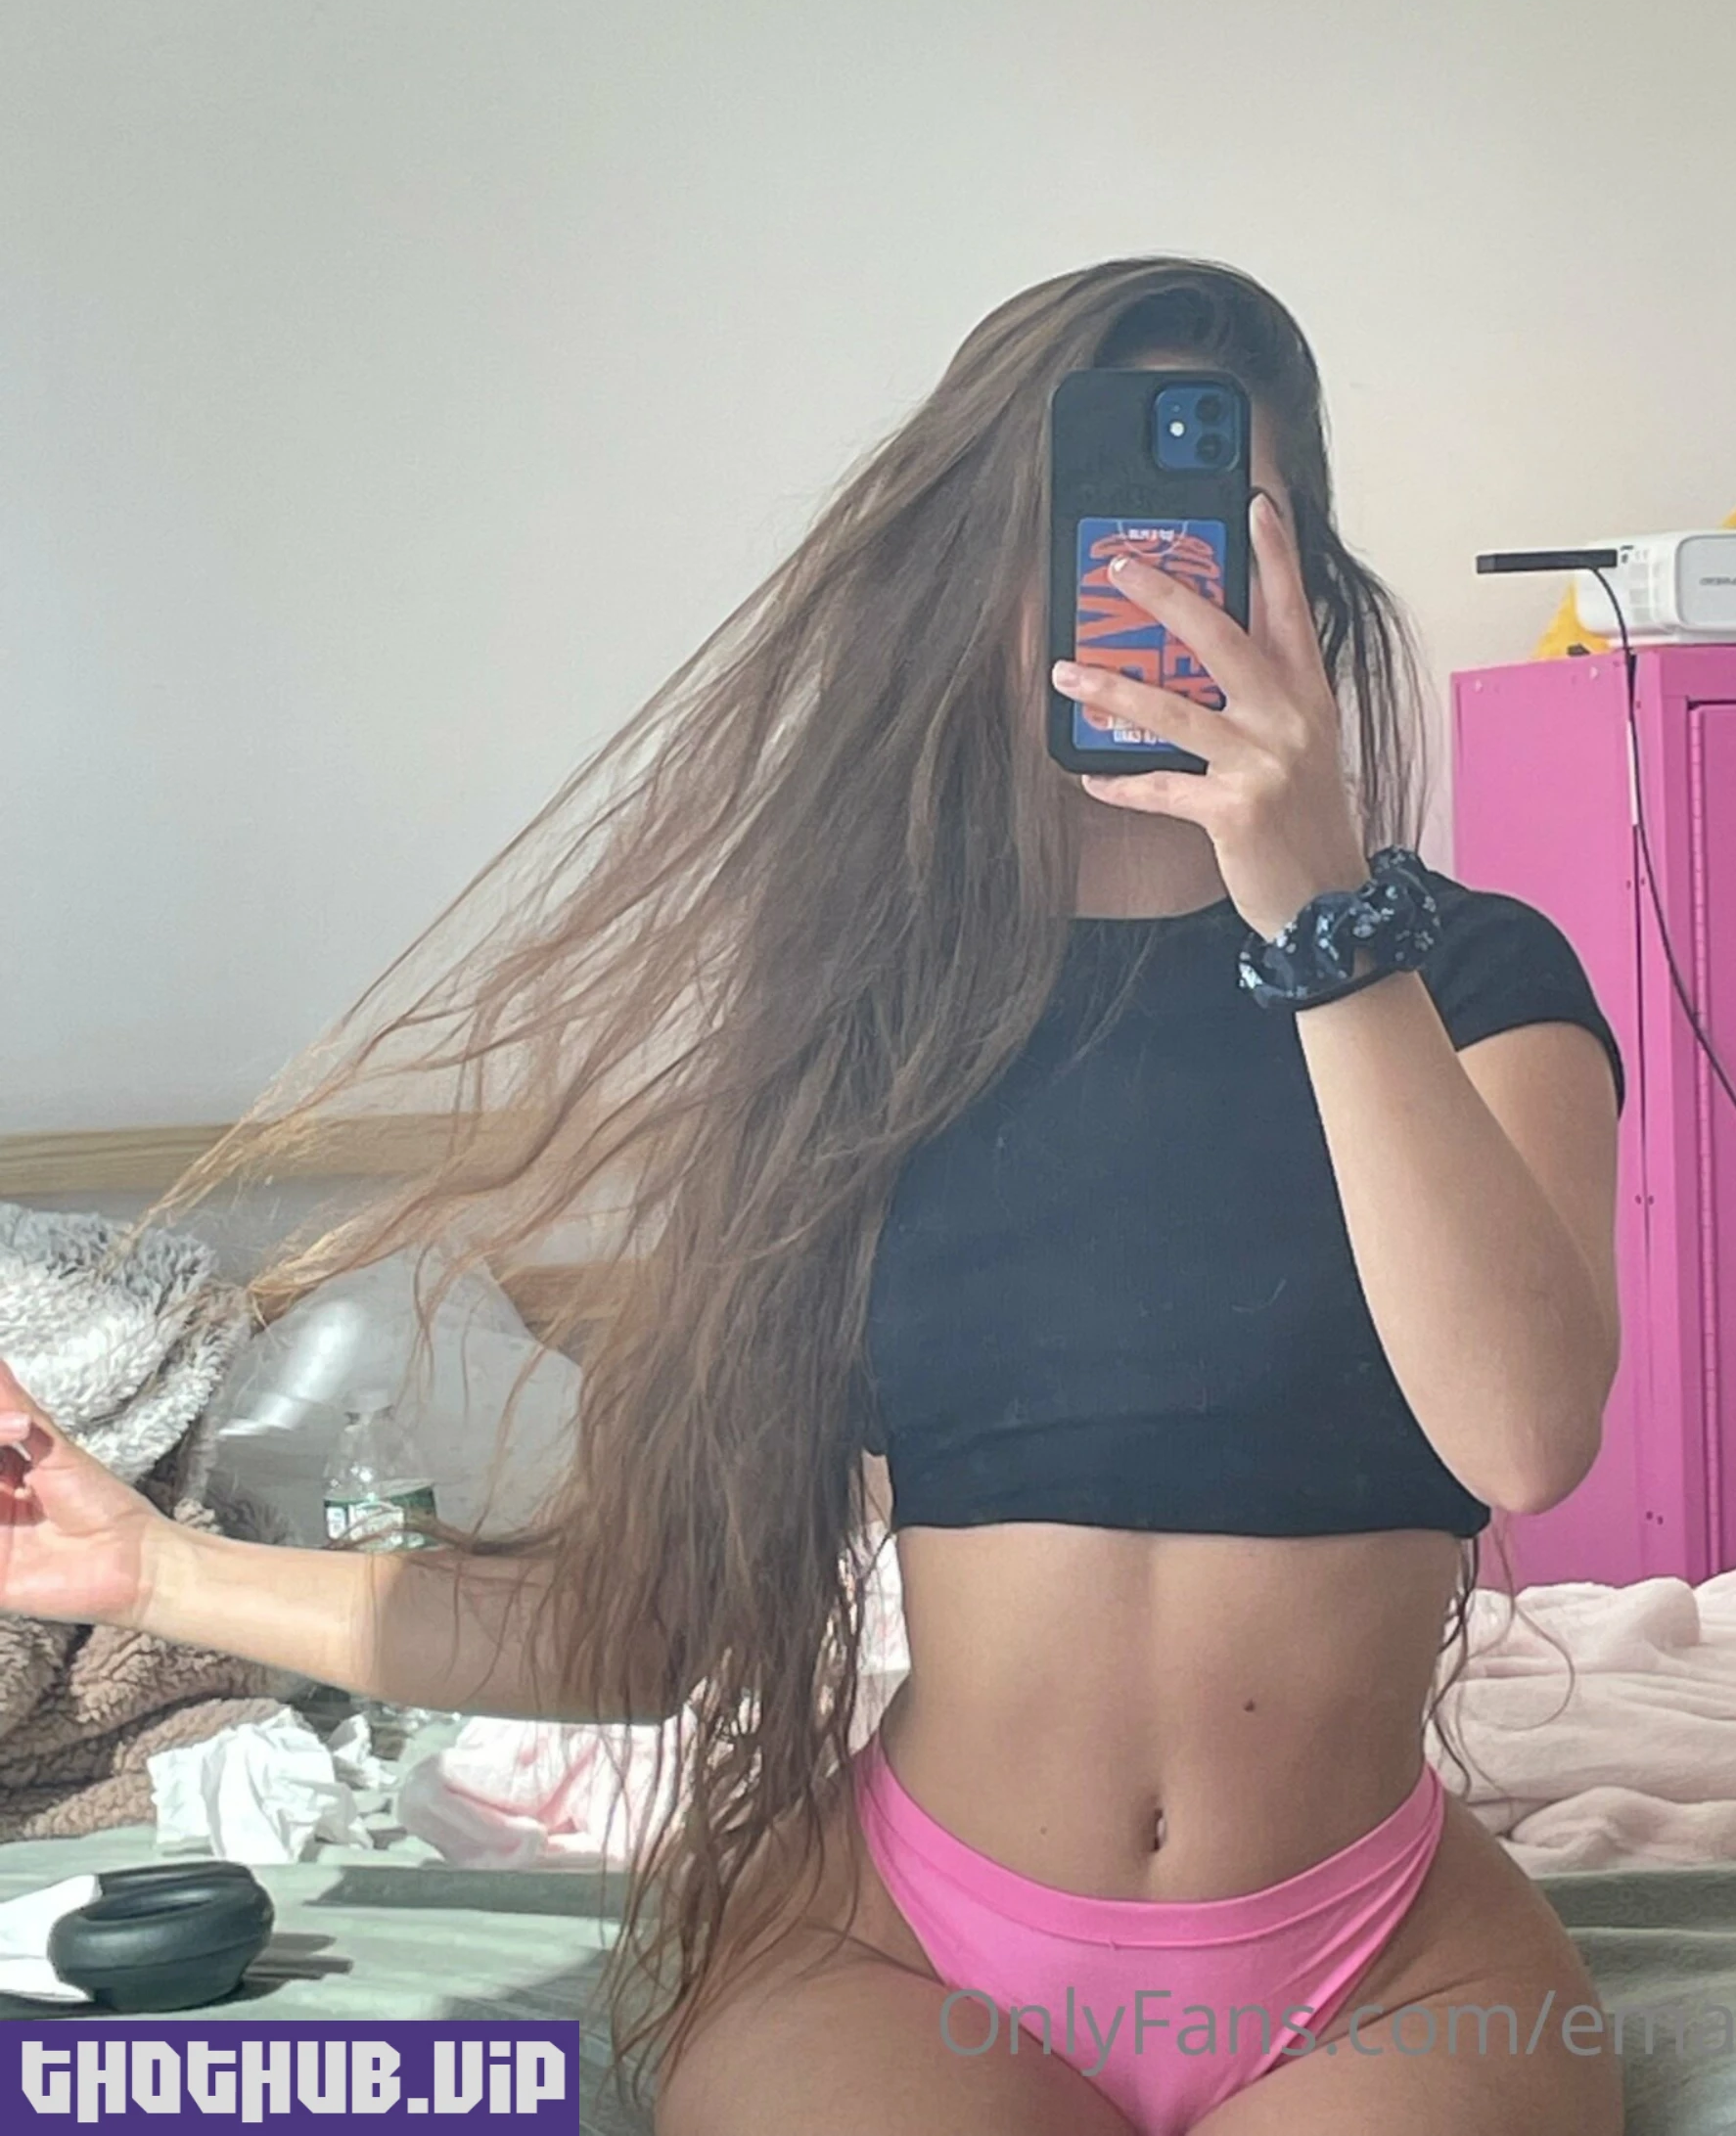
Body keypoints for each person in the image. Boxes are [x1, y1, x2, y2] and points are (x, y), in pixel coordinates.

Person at [0, 257, 1626, 2135]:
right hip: (910, 1947)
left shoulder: (1468, 979)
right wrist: (150, 1569)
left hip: (1380, 1963)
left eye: (1211, 524)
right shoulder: (871, 1040)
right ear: (971, 575)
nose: (1147, 583)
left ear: (1306, 585)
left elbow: (1523, 1434)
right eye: (1085, 522)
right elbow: (648, 1633)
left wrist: (1316, 909)